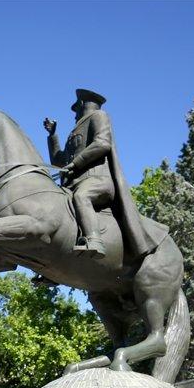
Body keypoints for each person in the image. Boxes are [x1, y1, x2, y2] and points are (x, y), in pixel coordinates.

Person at [44, 89, 151, 261]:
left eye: (75, 109)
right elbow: (59, 162)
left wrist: (77, 163)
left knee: (81, 197)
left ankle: (94, 240)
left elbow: (102, 143)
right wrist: (52, 136)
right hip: (73, 183)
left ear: (80, 105)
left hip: (97, 181)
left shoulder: (99, 116)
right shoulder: (74, 131)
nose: (74, 115)